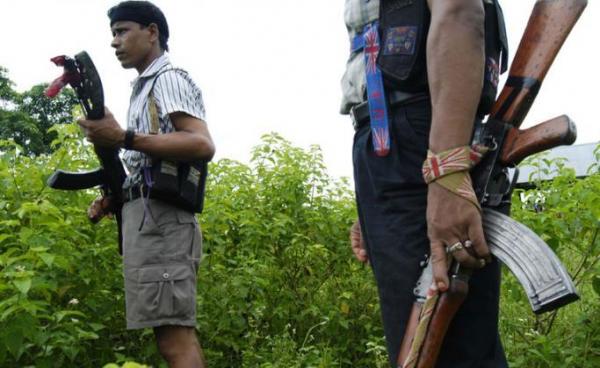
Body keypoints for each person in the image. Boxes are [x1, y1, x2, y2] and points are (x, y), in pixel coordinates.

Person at [342, 0, 508, 366]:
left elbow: (459, 9)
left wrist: (445, 168)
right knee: (437, 345)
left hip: (423, 134)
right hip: (400, 142)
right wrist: (372, 209)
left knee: (443, 351)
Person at [79, 1, 215, 367]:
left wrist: (122, 138)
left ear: (152, 32)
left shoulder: (167, 78)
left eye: (123, 31)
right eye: (113, 34)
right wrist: (116, 197)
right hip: (150, 218)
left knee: (175, 338)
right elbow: (150, 161)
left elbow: (201, 144)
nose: (114, 42)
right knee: (170, 335)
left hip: (164, 221)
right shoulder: (142, 88)